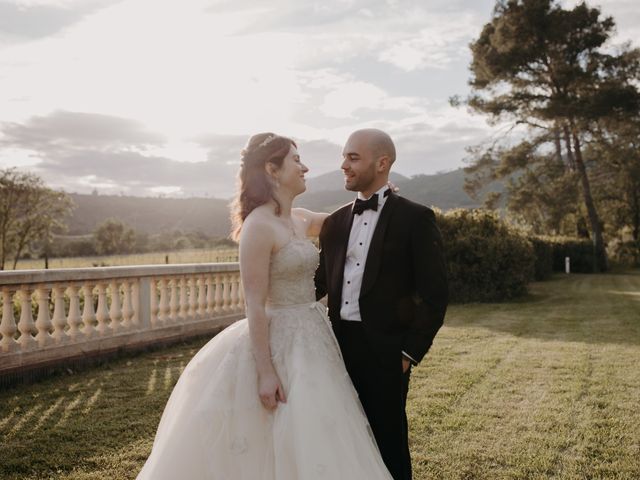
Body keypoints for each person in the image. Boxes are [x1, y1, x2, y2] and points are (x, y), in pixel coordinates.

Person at [136, 133, 393, 479]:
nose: (305, 167)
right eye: (296, 160)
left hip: (314, 336)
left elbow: (348, 218)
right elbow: (254, 305)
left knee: (321, 424)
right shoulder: (258, 226)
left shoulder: (300, 218)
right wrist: (265, 372)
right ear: (272, 169)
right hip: (277, 340)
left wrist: (382, 197)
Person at [315, 128, 449, 480]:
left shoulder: (416, 219)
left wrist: (408, 355)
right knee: (339, 440)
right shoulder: (334, 222)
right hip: (334, 350)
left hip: (386, 353)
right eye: (344, 156)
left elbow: (435, 294)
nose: (343, 164)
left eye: (353, 157)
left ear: (382, 162)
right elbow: (315, 284)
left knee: (387, 442)